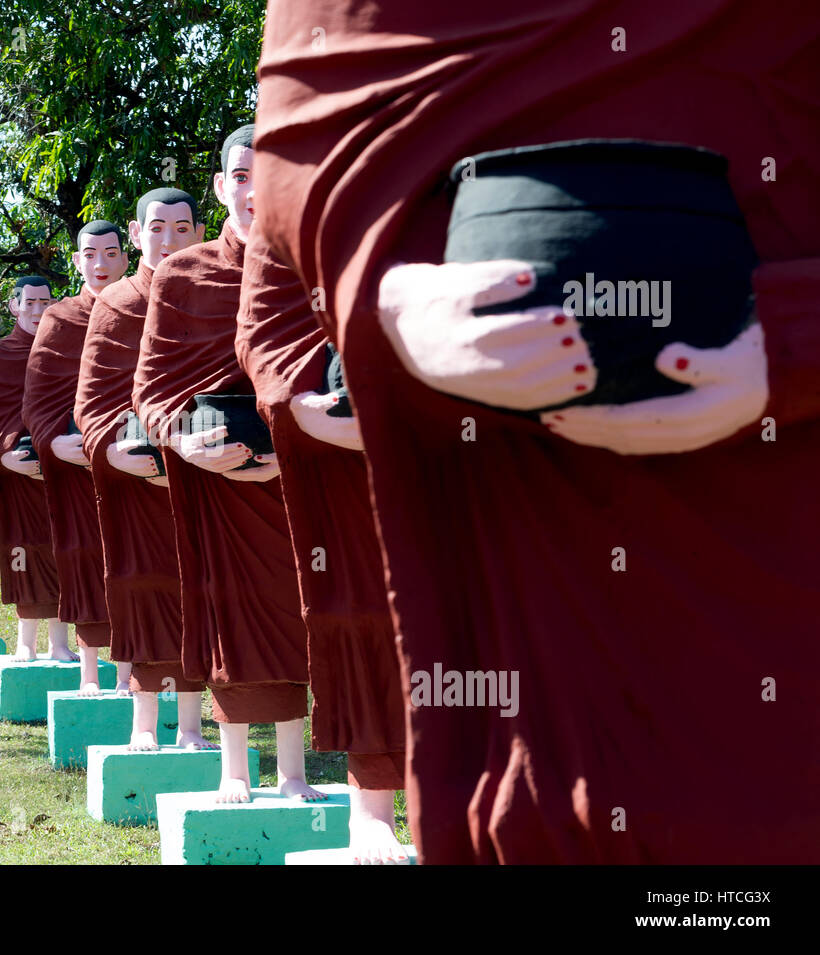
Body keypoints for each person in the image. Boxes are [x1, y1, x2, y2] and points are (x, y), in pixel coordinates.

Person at [250, 0, 819, 862]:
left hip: (779, 510)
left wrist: (796, 341)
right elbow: (309, 143)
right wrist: (389, 303)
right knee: (545, 807)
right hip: (504, 509)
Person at [132, 126, 322, 803]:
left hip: (294, 475)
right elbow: (149, 389)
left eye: (267, 176)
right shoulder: (184, 274)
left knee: (296, 612)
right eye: (240, 176)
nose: (253, 190)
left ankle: (295, 771)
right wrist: (182, 442)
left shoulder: (311, 268)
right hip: (212, 479)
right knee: (230, 617)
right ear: (221, 186)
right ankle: (235, 768)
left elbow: (327, 377)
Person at [236, 233, 410, 863]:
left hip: (468, 451)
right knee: (369, 620)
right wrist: (299, 408)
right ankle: (373, 811)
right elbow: (263, 341)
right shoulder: (289, 234)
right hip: (344, 466)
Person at [75, 187, 216, 749]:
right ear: (136, 236)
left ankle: (190, 726)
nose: (168, 240)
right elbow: (92, 402)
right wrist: (117, 449)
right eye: (156, 228)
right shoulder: (117, 304)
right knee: (141, 592)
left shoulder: (212, 297)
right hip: (136, 480)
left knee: (196, 595)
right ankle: (143, 725)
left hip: (203, 476)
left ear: (200, 233)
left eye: (182, 229)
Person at [22, 220, 130, 694]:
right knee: (85, 561)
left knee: (136, 565)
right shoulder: (61, 318)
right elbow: (37, 397)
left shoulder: (144, 307)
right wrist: (50, 440)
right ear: (76, 260)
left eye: (110, 253)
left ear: (127, 256)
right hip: (77, 465)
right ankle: (89, 676)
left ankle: (134, 678)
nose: (100, 264)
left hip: (134, 463)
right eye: (89, 254)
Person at [0, 276, 72, 660]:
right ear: (13, 306)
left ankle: (60, 644)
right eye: (28, 302)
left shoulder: (66, 352)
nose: (36, 309)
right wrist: (3, 456)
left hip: (62, 469)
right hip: (16, 473)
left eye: (44, 301)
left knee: (65, 551)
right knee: (25, 552)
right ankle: (25, 643)